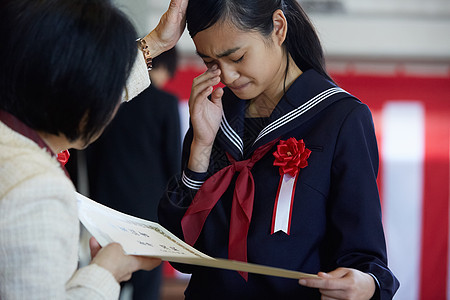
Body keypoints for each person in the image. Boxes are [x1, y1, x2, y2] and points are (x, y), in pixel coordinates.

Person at [157, 0, 400, 299]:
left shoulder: (339, 118)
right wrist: (201, 148)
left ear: (278, 27)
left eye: (238, 57)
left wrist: (365, 284)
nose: (228, 76)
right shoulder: (213, 112)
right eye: (211, 63)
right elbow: (181, 252)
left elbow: (364, 259)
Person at [0, 0, 188, 298]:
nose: (115, 105)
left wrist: (155, 43)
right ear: (82, 92)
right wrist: (107, 272)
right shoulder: (37, 190)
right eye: (110, 91)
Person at [86, 47, 181, 300]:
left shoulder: (106, 102)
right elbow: (174, 163)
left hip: (107, 209)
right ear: (164, 69)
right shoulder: (165, 103)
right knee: (146, 288)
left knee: (106, 278)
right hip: (148, 213)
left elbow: (90, 155)